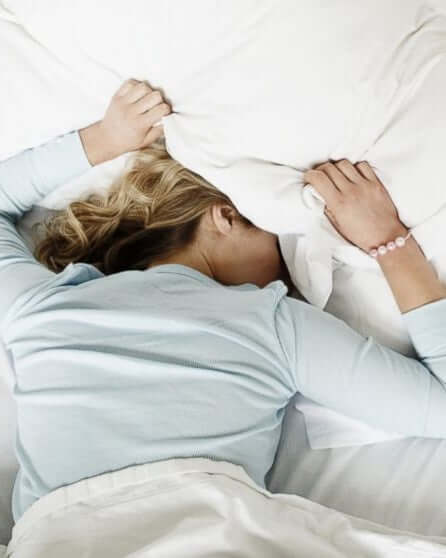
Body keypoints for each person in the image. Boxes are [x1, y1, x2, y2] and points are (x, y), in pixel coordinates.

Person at [1, 79, 445, 524]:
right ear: (226, 216)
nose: (289, 280)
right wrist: (387, 241)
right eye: (282, 251)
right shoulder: (271, 324)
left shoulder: (42, 307)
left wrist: (104, 140)